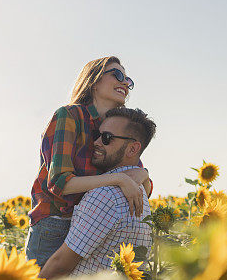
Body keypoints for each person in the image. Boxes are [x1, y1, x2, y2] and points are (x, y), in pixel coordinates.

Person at [37, 107, 157, 280]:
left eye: (106, 138)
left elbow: (60, 264)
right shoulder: (141, 194)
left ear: (132, 148)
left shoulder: (105, 195)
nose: (95, 143)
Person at [25, 56, 153, 269]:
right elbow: (59, 182)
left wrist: (142, 174)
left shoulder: (115, 128)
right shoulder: (69, 116)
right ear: (93, 81)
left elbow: (141, 189)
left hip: (89, 226)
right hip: (55, 224)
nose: (124, 83)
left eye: (128, 80)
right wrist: (120, 179)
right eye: (117, 75)